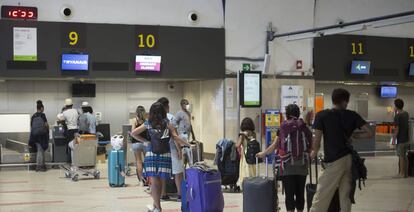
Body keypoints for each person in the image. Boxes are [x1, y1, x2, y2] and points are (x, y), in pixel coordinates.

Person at [309, 88, 373, 212]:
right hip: (348, 160)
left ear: (333, 100)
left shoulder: (322, 115)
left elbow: (316, 140)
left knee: (321, 195)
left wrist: (313, 153)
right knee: (345, 197)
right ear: (344, 101)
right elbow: (369, 133)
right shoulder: (352, 115)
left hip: (333, 161)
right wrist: (355, 136)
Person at [131, 102, 189, 212]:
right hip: (165, 154)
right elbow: (176, 138)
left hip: (151, 154)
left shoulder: (149, 123)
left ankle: (157, 207)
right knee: (161, 181)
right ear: (163, 112)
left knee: (153, 181)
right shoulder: (168, 123)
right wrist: (187, 145)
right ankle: (155, 206)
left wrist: (145, 141)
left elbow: (133, 133)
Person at [257, 104, 312, 212]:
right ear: (298, 114)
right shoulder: (304, 127)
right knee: (300, 193)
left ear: (287, 115)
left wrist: (263, 153)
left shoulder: (283, 127)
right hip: (302, 165)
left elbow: (274, 145)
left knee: (289, 194)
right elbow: (311, 145)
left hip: (287, 166)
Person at [158, 97, 188, 201]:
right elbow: (174, 136)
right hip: (173, 148)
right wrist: (180, 149)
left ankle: (163, 194)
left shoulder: (155, 119)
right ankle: (180, 194)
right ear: (166, 106)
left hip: (160, 150)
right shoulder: (170, 118)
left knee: (163, 173)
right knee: (178, 172)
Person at [130, 105, 149, 184]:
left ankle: (141, 180)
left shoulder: (134, 120)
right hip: (145, 143)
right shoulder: (146, 121)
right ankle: (148, 179)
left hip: (136, 143)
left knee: (138, 161)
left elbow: (133, 132)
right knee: (147, 161)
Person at [29, 100, 49, 172]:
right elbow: (46, 125)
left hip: (34, 136)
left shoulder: (33, 116)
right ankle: (39, 166)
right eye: (43, 108)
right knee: (40, 150)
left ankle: (43, 166)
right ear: (41, 108)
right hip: (41, 135)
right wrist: (47, 131)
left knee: (41, 150)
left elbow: (31, 126)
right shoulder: (42, 115)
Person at [236, 117, 257, 185]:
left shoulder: (242, 135)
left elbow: (237, 145)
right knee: (252, 169)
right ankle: (252, 183)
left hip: (245, 156)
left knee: (245, 170)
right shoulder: (253, 134)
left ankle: (245, 184)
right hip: (252, 155)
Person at [58, 98, 79, 163]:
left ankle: (70, 161)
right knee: (76, 146)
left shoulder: (65, 112)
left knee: (69, 146)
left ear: (66, 106)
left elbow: (59, 117)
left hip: (69, 131)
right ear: (72, 105)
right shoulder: (76, 111)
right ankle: (76, 161)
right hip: (76, 130)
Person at [393, 98, 410, 178]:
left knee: (401, 156)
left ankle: (401, 174)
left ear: (396, 106)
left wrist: (393, 140)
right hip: (407, 139)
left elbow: (397, 129)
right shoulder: (406, 114)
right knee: (405, 156)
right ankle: (406, 173)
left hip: (401, 139)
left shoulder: (397, 116)